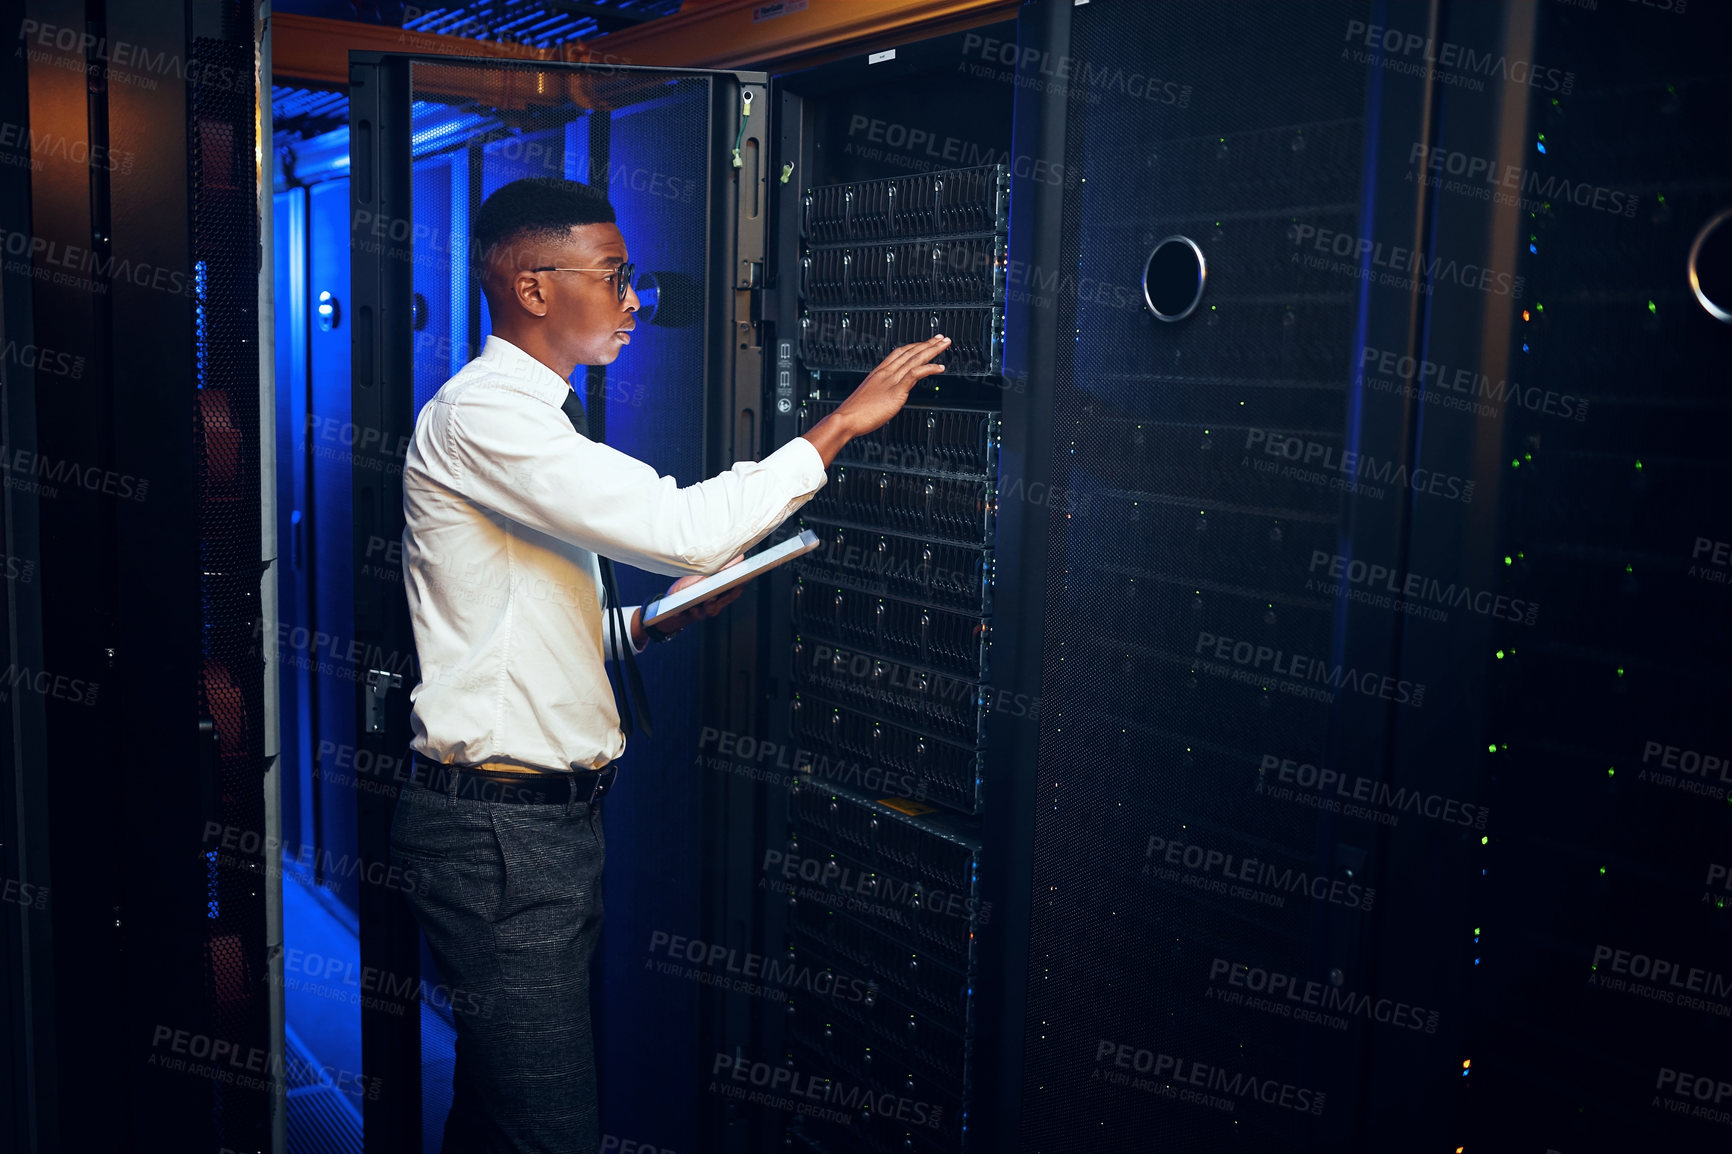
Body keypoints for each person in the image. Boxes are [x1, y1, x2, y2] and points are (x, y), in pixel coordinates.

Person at [388, 175, 950, 1153]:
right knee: (551, 1132)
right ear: (531, 287)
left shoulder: (526, 422)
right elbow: (685, 528)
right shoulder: (487, 416)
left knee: (496, 1116)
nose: (633, 300)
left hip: (532, 830)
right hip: (500, 837)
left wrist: (643, 625)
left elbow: (508, 628)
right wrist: (843, 421)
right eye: (613, 275)